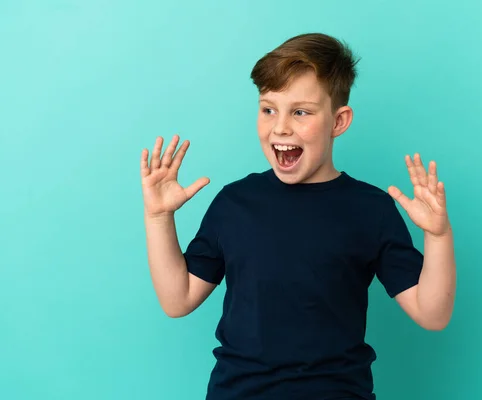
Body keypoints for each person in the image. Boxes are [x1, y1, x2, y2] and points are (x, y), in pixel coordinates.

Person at [140, 32, 456, 400]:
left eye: (301, 112)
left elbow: (432, 314)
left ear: (339, 121)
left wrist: (438, 236)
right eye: (268, 109)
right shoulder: (234, 203)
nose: (281, 127)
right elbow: (177, 300)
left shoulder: (371, 209)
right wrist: (159, 217)